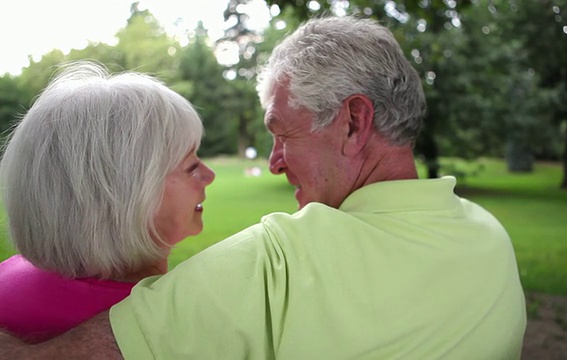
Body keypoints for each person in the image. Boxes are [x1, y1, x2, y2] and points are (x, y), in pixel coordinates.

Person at [1, 16, 526, 359]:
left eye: (282, 133)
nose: (274, 163)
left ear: (352, 123)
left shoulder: (277, 266)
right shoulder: (491, 239)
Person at [0, 61, 215, 343]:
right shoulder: (165, 327)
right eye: (190, 166)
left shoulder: (13, 277)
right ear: (127, 194)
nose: (209, 175)